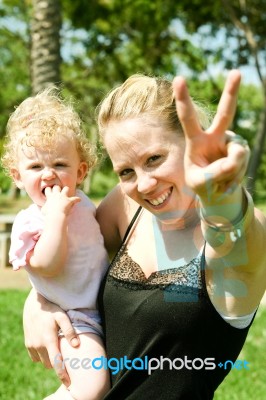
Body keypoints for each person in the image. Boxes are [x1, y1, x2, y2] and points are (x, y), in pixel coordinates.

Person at [22, 71, 266, 399]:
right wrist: (37, 301)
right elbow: (72, 259)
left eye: (154, 159)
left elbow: (234, 240)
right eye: (126, 171)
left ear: (190, 143)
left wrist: (222, 197)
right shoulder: (126, 208)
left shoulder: (240, 234)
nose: (145, 184)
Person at [1, 88, 110, 400]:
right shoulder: (30, 221)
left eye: (60, 165)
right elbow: (48, 266)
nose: (48, 174)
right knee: (92, 388)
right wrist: (55, 219)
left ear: (81, 171)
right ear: (17, 176)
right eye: (35, 167)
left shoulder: (85, 204)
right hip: (73, 319)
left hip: (102, 309)